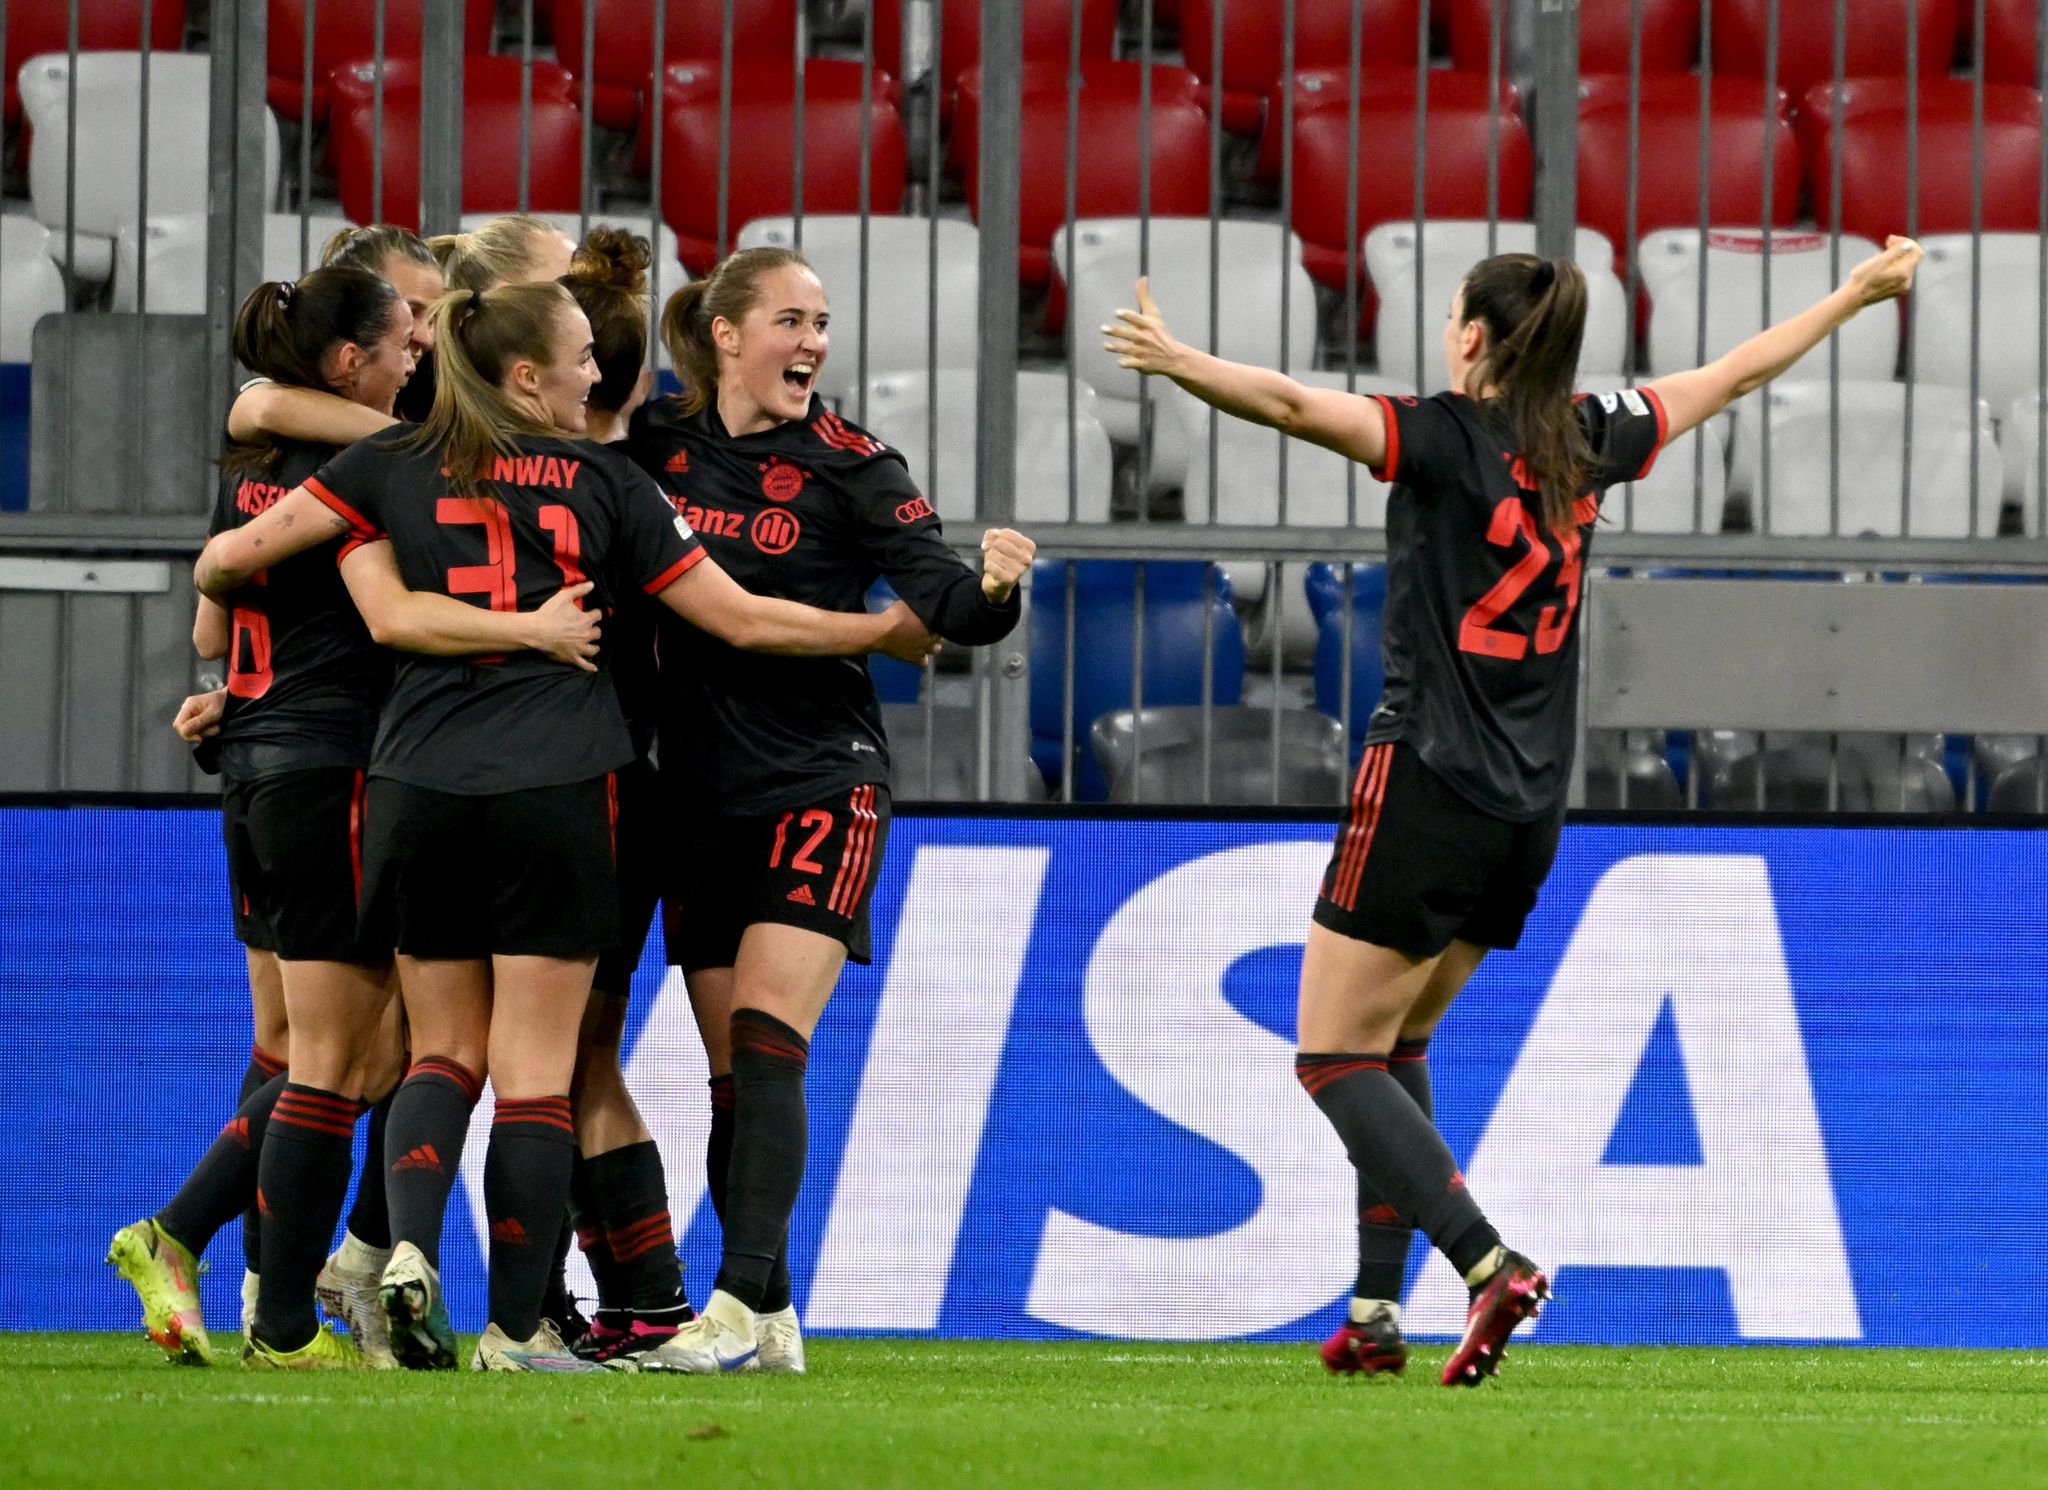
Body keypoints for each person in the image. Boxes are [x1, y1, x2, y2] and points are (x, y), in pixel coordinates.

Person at [1104, 237, 1924, 1386]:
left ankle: (1487, 1262)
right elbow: (1734, 373)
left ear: (1471, 337)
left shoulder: (1439, 435)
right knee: (1395, 1043)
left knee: (1330, 1053)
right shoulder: (1592, 435)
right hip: (1528, 807)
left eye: (1454, 316)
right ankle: (1374, 1311)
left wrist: (1177, 359)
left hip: (1425, 776)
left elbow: (1290, 404)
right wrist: (1849, 293)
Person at [195, 279, 942, 1373]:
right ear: (527, 374)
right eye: (583, 357)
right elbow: (736, 616)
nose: (599, 376)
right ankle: (514, 1331)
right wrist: (880, 628)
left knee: (432, 1053)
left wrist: (236, 675)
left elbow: (242, 566)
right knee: (539, 1073)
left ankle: (384, 1261)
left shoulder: (389, 462)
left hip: (413, 779)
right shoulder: (608, 480)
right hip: (561, 781)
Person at [111, 267, 602, 1370]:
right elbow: (388, 614)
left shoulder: (256, 466)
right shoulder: (370, 472)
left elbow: (210, 624)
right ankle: (240, 1283)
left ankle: (270, 1282)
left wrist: (247, 687)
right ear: (349, 359)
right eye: (404, 338)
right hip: (334, 767)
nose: (419, 353)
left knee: (323, 1049)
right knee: (348, 1060)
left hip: (255, 760)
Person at [625, 247, 1036, 1374]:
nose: (812, 342)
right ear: (725, 334)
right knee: (730, 1074)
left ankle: (727, 1304)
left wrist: (994, 586)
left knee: (768, 1039)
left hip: (820, 777)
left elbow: (942, 603)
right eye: (790, 321)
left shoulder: (855, 464)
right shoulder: (654, 443)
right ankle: (772, 1317)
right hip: (693, 790)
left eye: (820, 323)